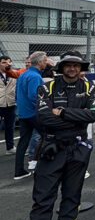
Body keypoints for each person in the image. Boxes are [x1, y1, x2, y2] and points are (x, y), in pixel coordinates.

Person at [13, 51, 95, 220]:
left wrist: (61, 112)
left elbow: (93, 115)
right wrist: (73, 117)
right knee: (43, 199)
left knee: (72, 196)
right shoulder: (46, 87)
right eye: (68, 65)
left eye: (76, 65)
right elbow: (43, 117)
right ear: (61, 67)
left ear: (81, 68)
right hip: (51, 149)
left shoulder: (91, 87)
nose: (72, 69)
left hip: (78, 149)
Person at [13, 51, 48, 180]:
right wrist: (45, 109)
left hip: (23, 113)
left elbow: (17, 94)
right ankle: (43, 164)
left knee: (23, 141)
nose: (46, 62)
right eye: (45, 60)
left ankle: (19, 171)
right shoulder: (35, 76)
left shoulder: (23, 75)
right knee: (48, 136)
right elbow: (34, 96)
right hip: (34, 113)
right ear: (39, 62)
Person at [0, 55, 17, 155]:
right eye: (4, 62)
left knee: (10, 127)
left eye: (9, 62)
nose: (7, 64)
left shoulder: (13, 73)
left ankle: (10, 147)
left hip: (10, 103)